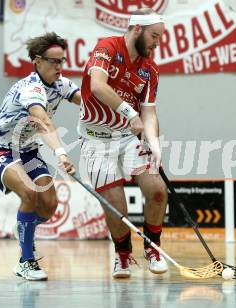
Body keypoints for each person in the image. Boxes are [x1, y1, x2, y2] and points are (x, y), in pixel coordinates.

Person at [0, 32, 81, 281]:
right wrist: (60, 152)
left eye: (62, 61)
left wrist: (120, 114)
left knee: (49, 206)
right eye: (53, 61)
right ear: (37, 61)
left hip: (28, 151)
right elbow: (42, 121)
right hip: (1, 149)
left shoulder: (61, 84)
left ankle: (24, 226)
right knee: (29, 193)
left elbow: (88, 102)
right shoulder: (30, 88)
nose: (59, 67)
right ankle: (26, 261)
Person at [78, 8, 168, 278]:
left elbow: (149, 112)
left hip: (128, 138)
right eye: (154, 36)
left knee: (157, 190)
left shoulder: (150, 68)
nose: (157, 42)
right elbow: (97, 86)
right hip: (96, 139)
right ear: (137, 29)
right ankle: (123, 256)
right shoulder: (106, 48)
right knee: (115, 205)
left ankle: (153, 249)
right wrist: (129, 113)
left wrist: (154, 143)